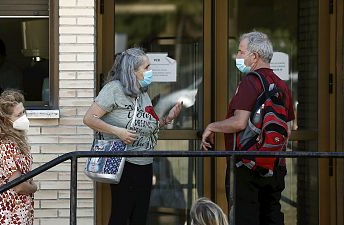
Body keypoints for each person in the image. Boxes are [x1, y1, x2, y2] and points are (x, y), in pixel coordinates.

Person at [201, 31, 295, 225]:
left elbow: (239, 122)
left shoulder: (251, 82)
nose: (237, 56)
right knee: (272, 214)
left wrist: (212, 126)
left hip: (247, 165)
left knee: (244, 217)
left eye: (240, 52)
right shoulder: (281, 85)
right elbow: (288, 128)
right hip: (275, 165)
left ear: (254, 57)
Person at [83, 47, 183, 225]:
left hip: (145, 163)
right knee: (121, 215)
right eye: (146, 67)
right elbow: (89, 118)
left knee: (140, 217)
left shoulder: (142, 94)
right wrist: (118, 132)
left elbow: (146, 126)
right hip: (124, 164)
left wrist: (167, 118)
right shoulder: (113, 89)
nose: (150, 71)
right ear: (132, 71)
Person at [0, 90, 37, 225]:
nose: (23, 117)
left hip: (20, 211)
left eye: (23, 112)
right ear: (5, 120)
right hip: (11, 214)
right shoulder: (6, 145)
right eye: (19, 115)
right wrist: (34, 188)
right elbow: (19, 187)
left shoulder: (11, 141)